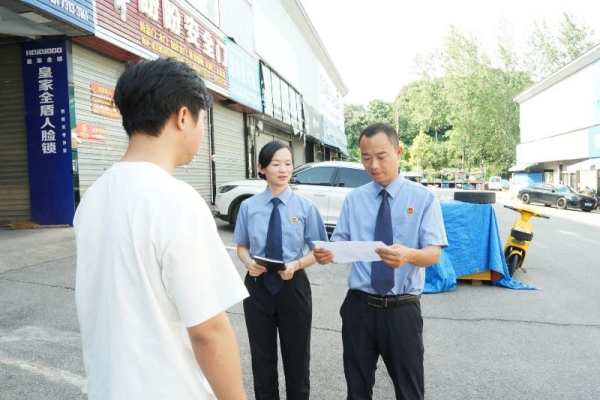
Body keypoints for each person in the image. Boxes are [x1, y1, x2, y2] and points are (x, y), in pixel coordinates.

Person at [73, 58, 248, 400]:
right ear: (183, 117)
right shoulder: (177, 201)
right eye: (202, 120)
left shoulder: (92, 198)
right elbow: (209, 331)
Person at [314, 123, 448, 400]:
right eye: (366, 157)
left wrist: (409, 255)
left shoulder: (423, 198)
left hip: (401, 311)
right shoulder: (355, 200)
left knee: (409, 391)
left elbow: (433, 253)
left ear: (399, 152)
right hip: (359, 308)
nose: (373, 165)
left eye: (381, 156)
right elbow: (340, 245)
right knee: (357, 390)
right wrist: (327, 254)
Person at [234, 141, 327, 400]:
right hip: (257, 285)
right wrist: (248, 262)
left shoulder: (305, 207)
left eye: (288, 164)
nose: (283, 169)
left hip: (293, 285)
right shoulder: (249, 207)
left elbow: (318, 251)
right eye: (276, 164)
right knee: (261, 357)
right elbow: (241, 246)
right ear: (261, 168)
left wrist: (297, 264)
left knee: (297, 358)